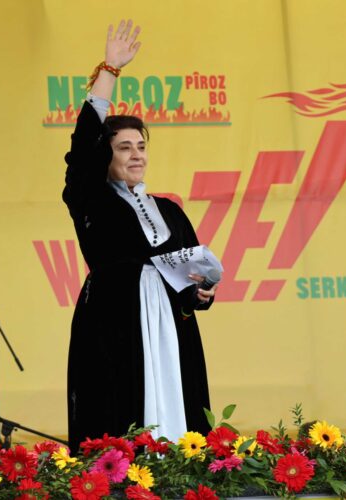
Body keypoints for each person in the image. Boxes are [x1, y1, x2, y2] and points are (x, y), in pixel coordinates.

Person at [63, 19, 217, 454]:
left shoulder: (169, 210)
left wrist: (201, 291)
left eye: (141, 146)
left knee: (183, 418)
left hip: (171, 328)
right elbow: (83, 150)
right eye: (124, 147)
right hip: (114, 324)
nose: (136, 155)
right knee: (118, 415)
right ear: (106, 156)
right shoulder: (91, 200)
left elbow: (193, 272)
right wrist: (109, 71)